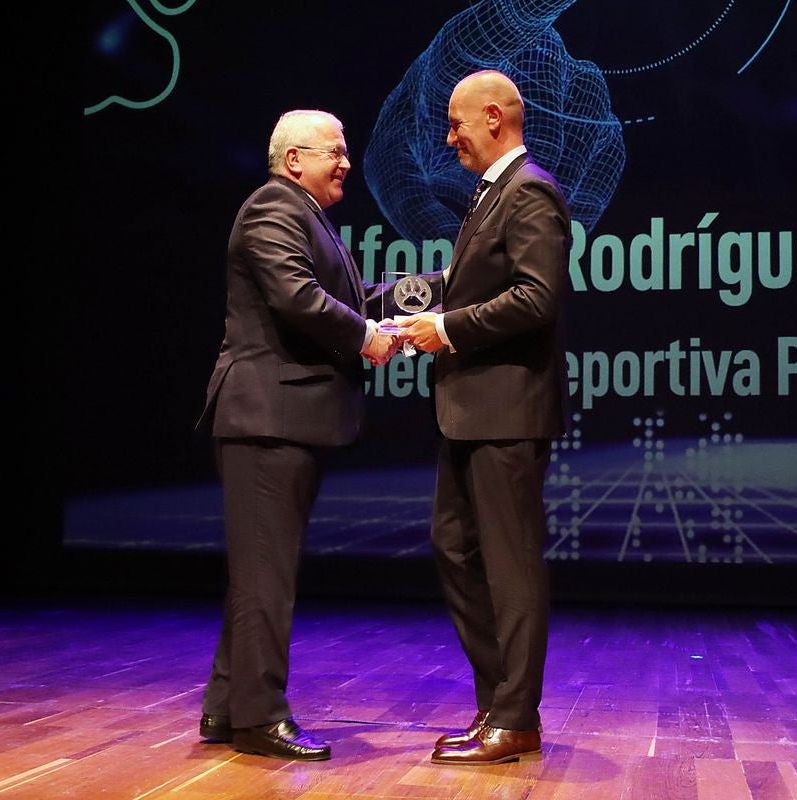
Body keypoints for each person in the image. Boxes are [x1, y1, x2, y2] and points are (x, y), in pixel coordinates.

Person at [195, 109, 400, 761]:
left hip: (282, 419)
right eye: (334, 152)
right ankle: (259, 720)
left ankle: (227, 708)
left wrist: (432, 292)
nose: (345, 162)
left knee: (261, 572)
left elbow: (351, 296)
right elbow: (296, 298)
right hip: (265, 419)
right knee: (266, 577)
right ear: (292, 161)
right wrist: (367, 336)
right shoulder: (272, 209)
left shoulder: (303, 213)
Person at [398, 70, 571, 766]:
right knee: (456, 550)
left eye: (457, 123)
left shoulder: (529, 190)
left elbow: (537, 298)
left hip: (505, 413)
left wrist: (449, 328)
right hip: (470, 414)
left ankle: (516, 716)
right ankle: (498, 703)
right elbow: (477, 285)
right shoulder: (492, 194)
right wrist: (407, 309)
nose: (449, 136)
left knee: (511, 567)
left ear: (493, 117)